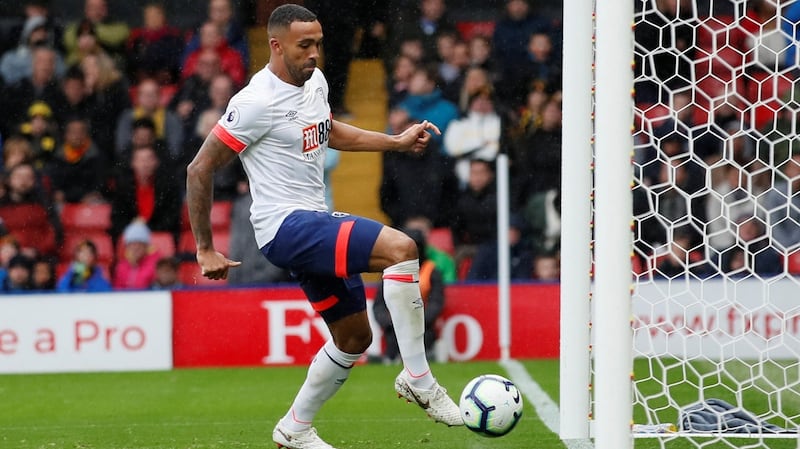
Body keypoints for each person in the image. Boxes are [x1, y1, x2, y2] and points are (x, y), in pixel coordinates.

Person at [185, 5, 463, 449]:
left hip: (312, 218)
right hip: (285, 226)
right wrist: (205, 248)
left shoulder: (314, 81)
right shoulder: (255, 102)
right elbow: (199, 169)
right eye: (304, 45)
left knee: (354, 336)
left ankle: (294, 429)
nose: (315, 53)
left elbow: (327, 129)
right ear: (275, 46)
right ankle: (419, 380)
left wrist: (392, 142)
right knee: (401, 248)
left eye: (318, 43)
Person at [372, 228, 445, 363]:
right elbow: (379, 306)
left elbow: (436, 302)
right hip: (394, 328)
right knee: (393, 339)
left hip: (423, 327)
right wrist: (391, 322)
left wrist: (418, 321)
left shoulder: (431, 270)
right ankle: (390, 359)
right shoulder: (390, 270)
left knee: (424, 340)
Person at [112, 220, 160, 290]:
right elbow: (117, 290)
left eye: (139, 243)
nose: (136, 247)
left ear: (146, 246)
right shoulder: (121, 266)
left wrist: (135, 266)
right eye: (132, 244)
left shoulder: (156, 263)